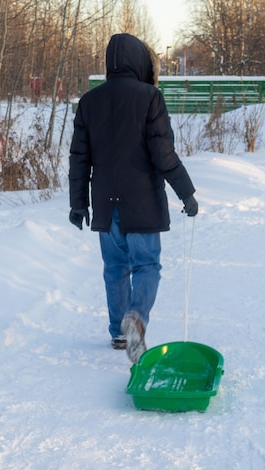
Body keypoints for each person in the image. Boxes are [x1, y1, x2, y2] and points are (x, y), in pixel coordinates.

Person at [68, 33, 198, 363]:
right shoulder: (150, 97)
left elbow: (79, 158)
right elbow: (163, 154)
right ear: (139, 61)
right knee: (146, 264)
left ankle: (118, 332)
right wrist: (187, 192)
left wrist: (77, 203)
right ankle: (136, 318)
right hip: (142, 202)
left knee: (114, 266)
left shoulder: (89, 101)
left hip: (105, 202)